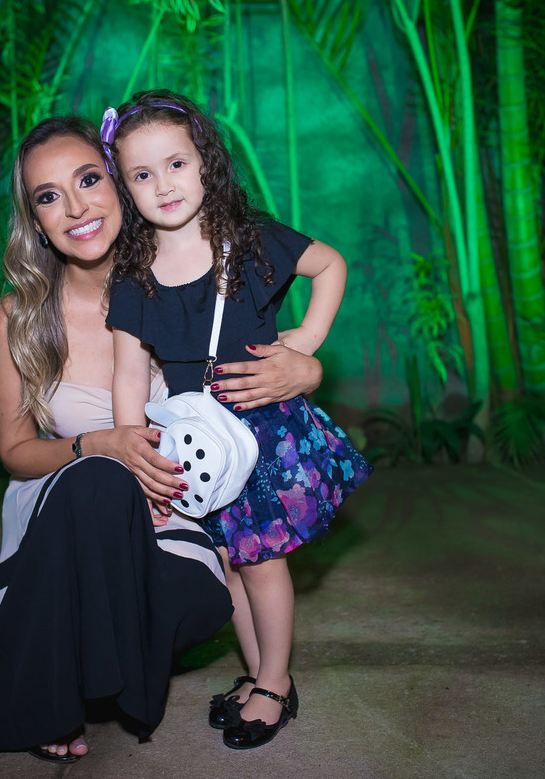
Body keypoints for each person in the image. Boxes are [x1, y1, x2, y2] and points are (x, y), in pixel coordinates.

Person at [0, 116, 323, 762]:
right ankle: (52, 695)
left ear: (123, 184)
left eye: (88, 180)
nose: (76, 208)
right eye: (49, 196)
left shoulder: (187, 281)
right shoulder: (18, 318)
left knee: (196, 590)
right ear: (36, 220)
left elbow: (257, 372)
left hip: (172, 517)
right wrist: (99, 445)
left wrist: (307, 368)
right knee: (100, 481)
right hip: (67, 516)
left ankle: (66, 664)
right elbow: (16, 453)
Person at [104, 90, 373, 750]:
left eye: (176, 164)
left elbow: (330, 264)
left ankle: (275, 685)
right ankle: (260, 676)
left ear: (206, 162)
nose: (163, 185)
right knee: (228, 560)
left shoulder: (247, 239)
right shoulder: (133, 275)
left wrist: (307, 339)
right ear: (126, 189)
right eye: (142, 174)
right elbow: (128, 375)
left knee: (262, 562)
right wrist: (137, 457)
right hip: (197, 444)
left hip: (260, 431)